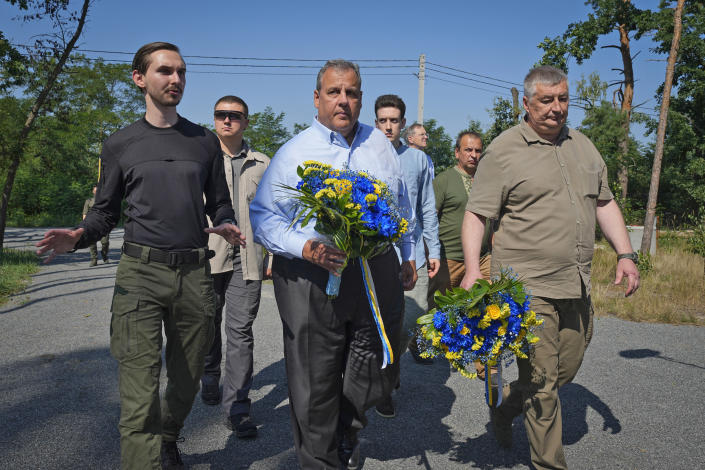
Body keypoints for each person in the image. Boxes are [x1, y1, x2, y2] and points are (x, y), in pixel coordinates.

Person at [36, 42, 244, 470]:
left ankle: (167, 437)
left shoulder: (204, 142)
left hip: (193, 274)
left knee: (186, 386)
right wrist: (77, 236)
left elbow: (220, 202)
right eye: (166, 71)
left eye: (182, 72)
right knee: (138, 396)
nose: (176, 80)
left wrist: (224, 221)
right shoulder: (119, 144)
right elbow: (104, 213)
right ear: (139, 78)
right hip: (140, 275)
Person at [460, 65, 640, 470]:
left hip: (575, 282)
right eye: (546, 100)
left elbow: (604, 202)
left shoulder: (584, 146)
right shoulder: (504, 151)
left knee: (565, 369)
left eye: (563, 99)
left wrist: (626, 254)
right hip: (525, 286)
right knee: (542, 385)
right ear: (526, 103)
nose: (557, 108)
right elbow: (477, 214)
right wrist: (474, 269)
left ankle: (506, 406)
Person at [250, 59, 417, 470]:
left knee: (379, 359)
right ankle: (320, 460)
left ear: (361, 98)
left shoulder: (381, 145)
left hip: (374, 266)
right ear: (317, 97)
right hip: (311, 272)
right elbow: (262, 217)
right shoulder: (295, 151)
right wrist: (305, 248)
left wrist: (410, 254)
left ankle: (347, 430)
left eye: (352, 92)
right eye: (334, 92)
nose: (343, 100)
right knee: (316, 378)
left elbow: (401, 206)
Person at [200, 95, 271, 440]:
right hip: (207, 259)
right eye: (221, 115)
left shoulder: (263, 164)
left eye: (234, 116)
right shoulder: (198, 158)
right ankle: (210, 373)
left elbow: (272, 215)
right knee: (207, 323)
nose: (227, 120)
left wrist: (270, 256)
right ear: (214, 119)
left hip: (248, 261)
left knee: (241, 334)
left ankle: (238, 408)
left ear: (246, 121)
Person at [373, 94, 440, 418]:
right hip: (376, 254)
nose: (388, 126)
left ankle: (385, 371)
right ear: (376, 123)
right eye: (383, 120)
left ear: (403, 123)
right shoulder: (366, 154)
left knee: (410, 322)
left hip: (413, 253)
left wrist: (434, 249)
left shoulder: (417, 160)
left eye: (394, 120)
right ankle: (384, 385)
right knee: (378, 325)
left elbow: (427, 206)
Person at [429, 131, 491, 306]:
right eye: (468, 150)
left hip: (483, 259)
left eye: (478, 151)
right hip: (450, 259)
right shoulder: (444, 180)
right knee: (440, 310)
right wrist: (430, 253)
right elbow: (430, 217)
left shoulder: (487, 181)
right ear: (457, 152)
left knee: (486, 309)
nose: (473, 155)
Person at [82, 185, 110, 266]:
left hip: (103, 225)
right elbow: (84, 213)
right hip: (91, 225)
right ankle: (94, 259)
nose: (96, 192)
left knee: (105, 242)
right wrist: (85, 225)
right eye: (95, 191)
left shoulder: (105, 201)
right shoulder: (89, 201)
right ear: (93, 192)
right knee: (92, 243)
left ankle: (104, 254)